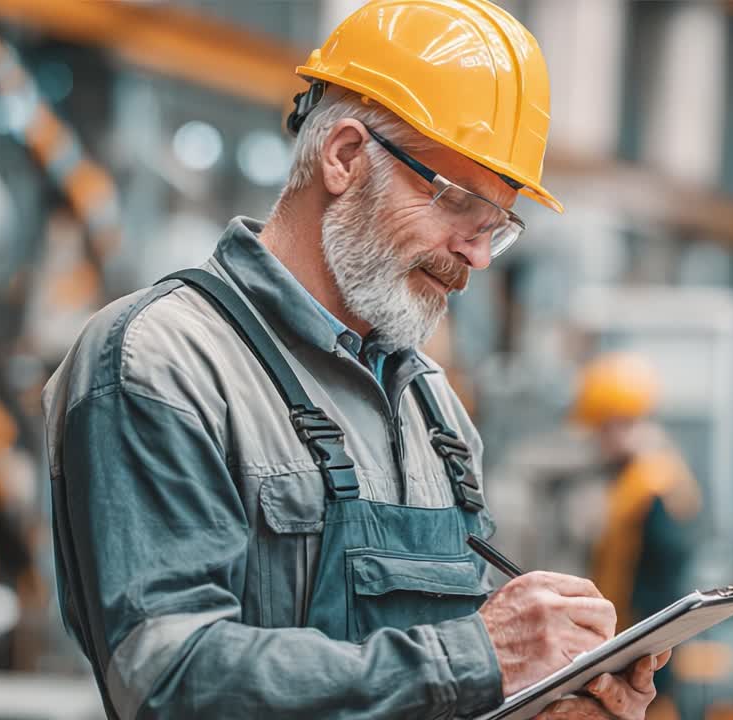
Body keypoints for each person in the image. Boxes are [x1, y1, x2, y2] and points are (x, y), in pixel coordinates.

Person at [42, 2, 666, 717]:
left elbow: (438, 684)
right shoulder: (163, 363)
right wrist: (479, 658)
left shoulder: (435, 410)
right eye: (460, 204)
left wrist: (543, 697)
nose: (479, 254)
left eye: (499, 226)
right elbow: (170, 678)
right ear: (342, 157)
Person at [573, 352, 701, 719]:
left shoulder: (653, 489)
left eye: (600, 428)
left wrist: (643, 668)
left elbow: (663, 596)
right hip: (634, 662)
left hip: (647, 670)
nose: (596, 441)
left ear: (618, 422)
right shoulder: (642, 481)